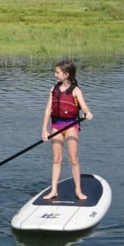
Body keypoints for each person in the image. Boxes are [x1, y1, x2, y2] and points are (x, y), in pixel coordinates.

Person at [41, 60, 93, 200]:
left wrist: (87, 113)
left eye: (57, 72)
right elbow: (48, 110)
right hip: (57, 125)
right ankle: (54, 191)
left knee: (73, 159)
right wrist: (44, 130)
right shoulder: (54, 89)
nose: (55, 74)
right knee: (57, 159)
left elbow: (84, 106)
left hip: (71, 125)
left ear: (66, 74)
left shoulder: (76, 90)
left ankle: (78, 190)